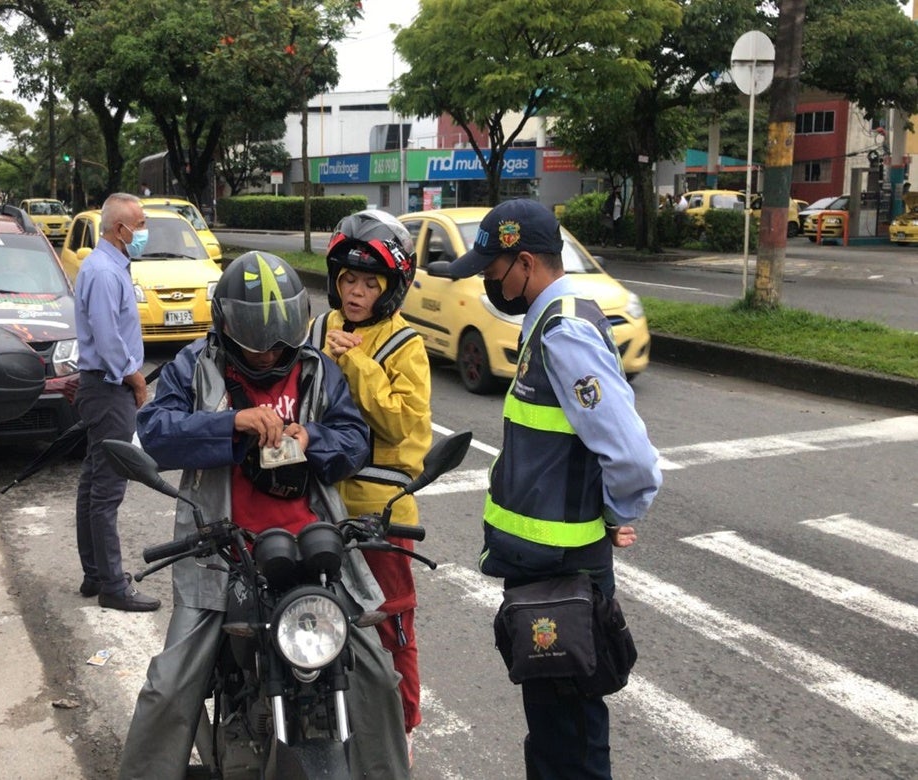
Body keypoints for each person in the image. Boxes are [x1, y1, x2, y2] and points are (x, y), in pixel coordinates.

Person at [117, 251, 410, 780]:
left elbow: (355, 442)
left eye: (279, 341)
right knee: (170, 686)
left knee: (377, 676)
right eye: (257, 344)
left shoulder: (317, 369)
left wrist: (311, 436)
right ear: (227, 327)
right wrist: (230, 425)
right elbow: (155, 432)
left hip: (316, 553)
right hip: (221, 554)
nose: (270, 353)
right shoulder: (194, 365)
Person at [440, 199, 661, 779]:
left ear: (526, 263)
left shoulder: (563, 332)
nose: (488, 279)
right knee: (554, 730)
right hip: (547, 565)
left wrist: (617, 509)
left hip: (564, 571)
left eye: (493, 267)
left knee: (571, 737)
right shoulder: (551, 322)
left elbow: (632, 455)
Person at [309, 210, 431, 750]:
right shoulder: (318, 327)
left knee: (391, 622)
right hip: (316, 503)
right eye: (348, 281)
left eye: (369, 283)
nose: (356, 293)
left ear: (390, 288)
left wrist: (358, 365)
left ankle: (400, 730)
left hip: (380, 515)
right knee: (312, 616)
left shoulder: (405, 345)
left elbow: (405, 423)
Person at [73, 192, 158, 612]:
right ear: (118, 228)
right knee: (107, 490)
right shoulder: (105, 272)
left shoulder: (107, 265)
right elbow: (108, 339)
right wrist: (135, 377)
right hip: (109, 388)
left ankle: (94, 574)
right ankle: (112, 585)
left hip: (100, 386)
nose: (142, 231)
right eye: (138, 224)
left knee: (93, 481)